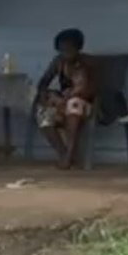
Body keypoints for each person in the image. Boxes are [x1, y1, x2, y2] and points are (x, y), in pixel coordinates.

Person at [34, 28, 96, 169]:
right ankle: (64, 154)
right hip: (62, 102)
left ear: (78, 48)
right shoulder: (58, 62)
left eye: (69, 49)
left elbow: (84, 89)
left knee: (74, 105)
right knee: (43, 114)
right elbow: (44, 81)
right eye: (62, 49)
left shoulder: (86, 63)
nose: (66, 52)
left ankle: (68, 156)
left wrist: (64, 100)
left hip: (84, 103)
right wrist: (44, 95)